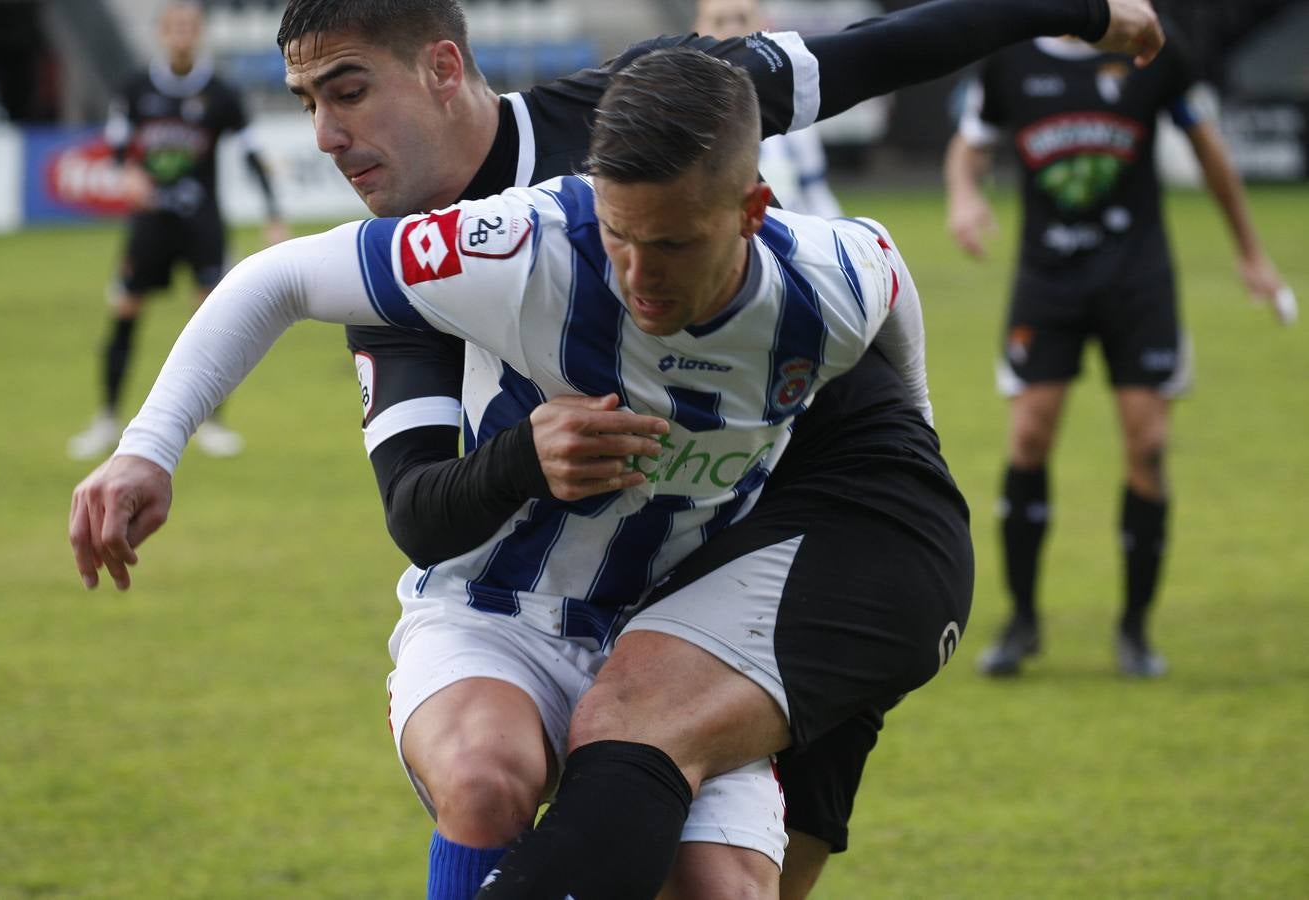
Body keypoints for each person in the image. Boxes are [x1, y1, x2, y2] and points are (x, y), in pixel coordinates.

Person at [73, 1, 1167, 896]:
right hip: (501, 608)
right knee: (491, 780)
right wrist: (148, 449)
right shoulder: (424, 265)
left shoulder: (651, 116)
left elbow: (871, 62)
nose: (323, 135)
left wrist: (1072, 12)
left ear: (443, 66)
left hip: (680, 610)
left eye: (347, 91)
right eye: (307, 103)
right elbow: (416, 512)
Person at [944, 28, 1289, 678]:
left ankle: (1135, 629)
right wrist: (964, 196)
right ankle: (1021, 622)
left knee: (1148, 447)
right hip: (1047, 285)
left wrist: (1250, 251)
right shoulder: (1011, 58)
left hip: (1138, 281)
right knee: (1027, 439)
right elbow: (970, 146)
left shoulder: (1155, 50)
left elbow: (1209, 150)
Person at [67, 0, 287, 461]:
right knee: (125, 309)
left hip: (202, 222)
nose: (183, 35)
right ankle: (107, 417)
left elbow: (251, 154)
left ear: (199, 32)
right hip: (150, 225)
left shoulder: (221, 93)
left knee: (213, 319)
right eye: (175, 27)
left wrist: (273, 214)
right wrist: (127, 174)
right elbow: (117, 147)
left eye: (190, 26)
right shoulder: (134, 89)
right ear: (162, 33)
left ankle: (211, 423)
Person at [695, 0, 845, 218]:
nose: (732, 30)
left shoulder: (794, 122)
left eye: (742, 19)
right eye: (719, 21)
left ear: (765, 26)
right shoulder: (686, 117)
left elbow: (817, 198)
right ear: (697, 31)